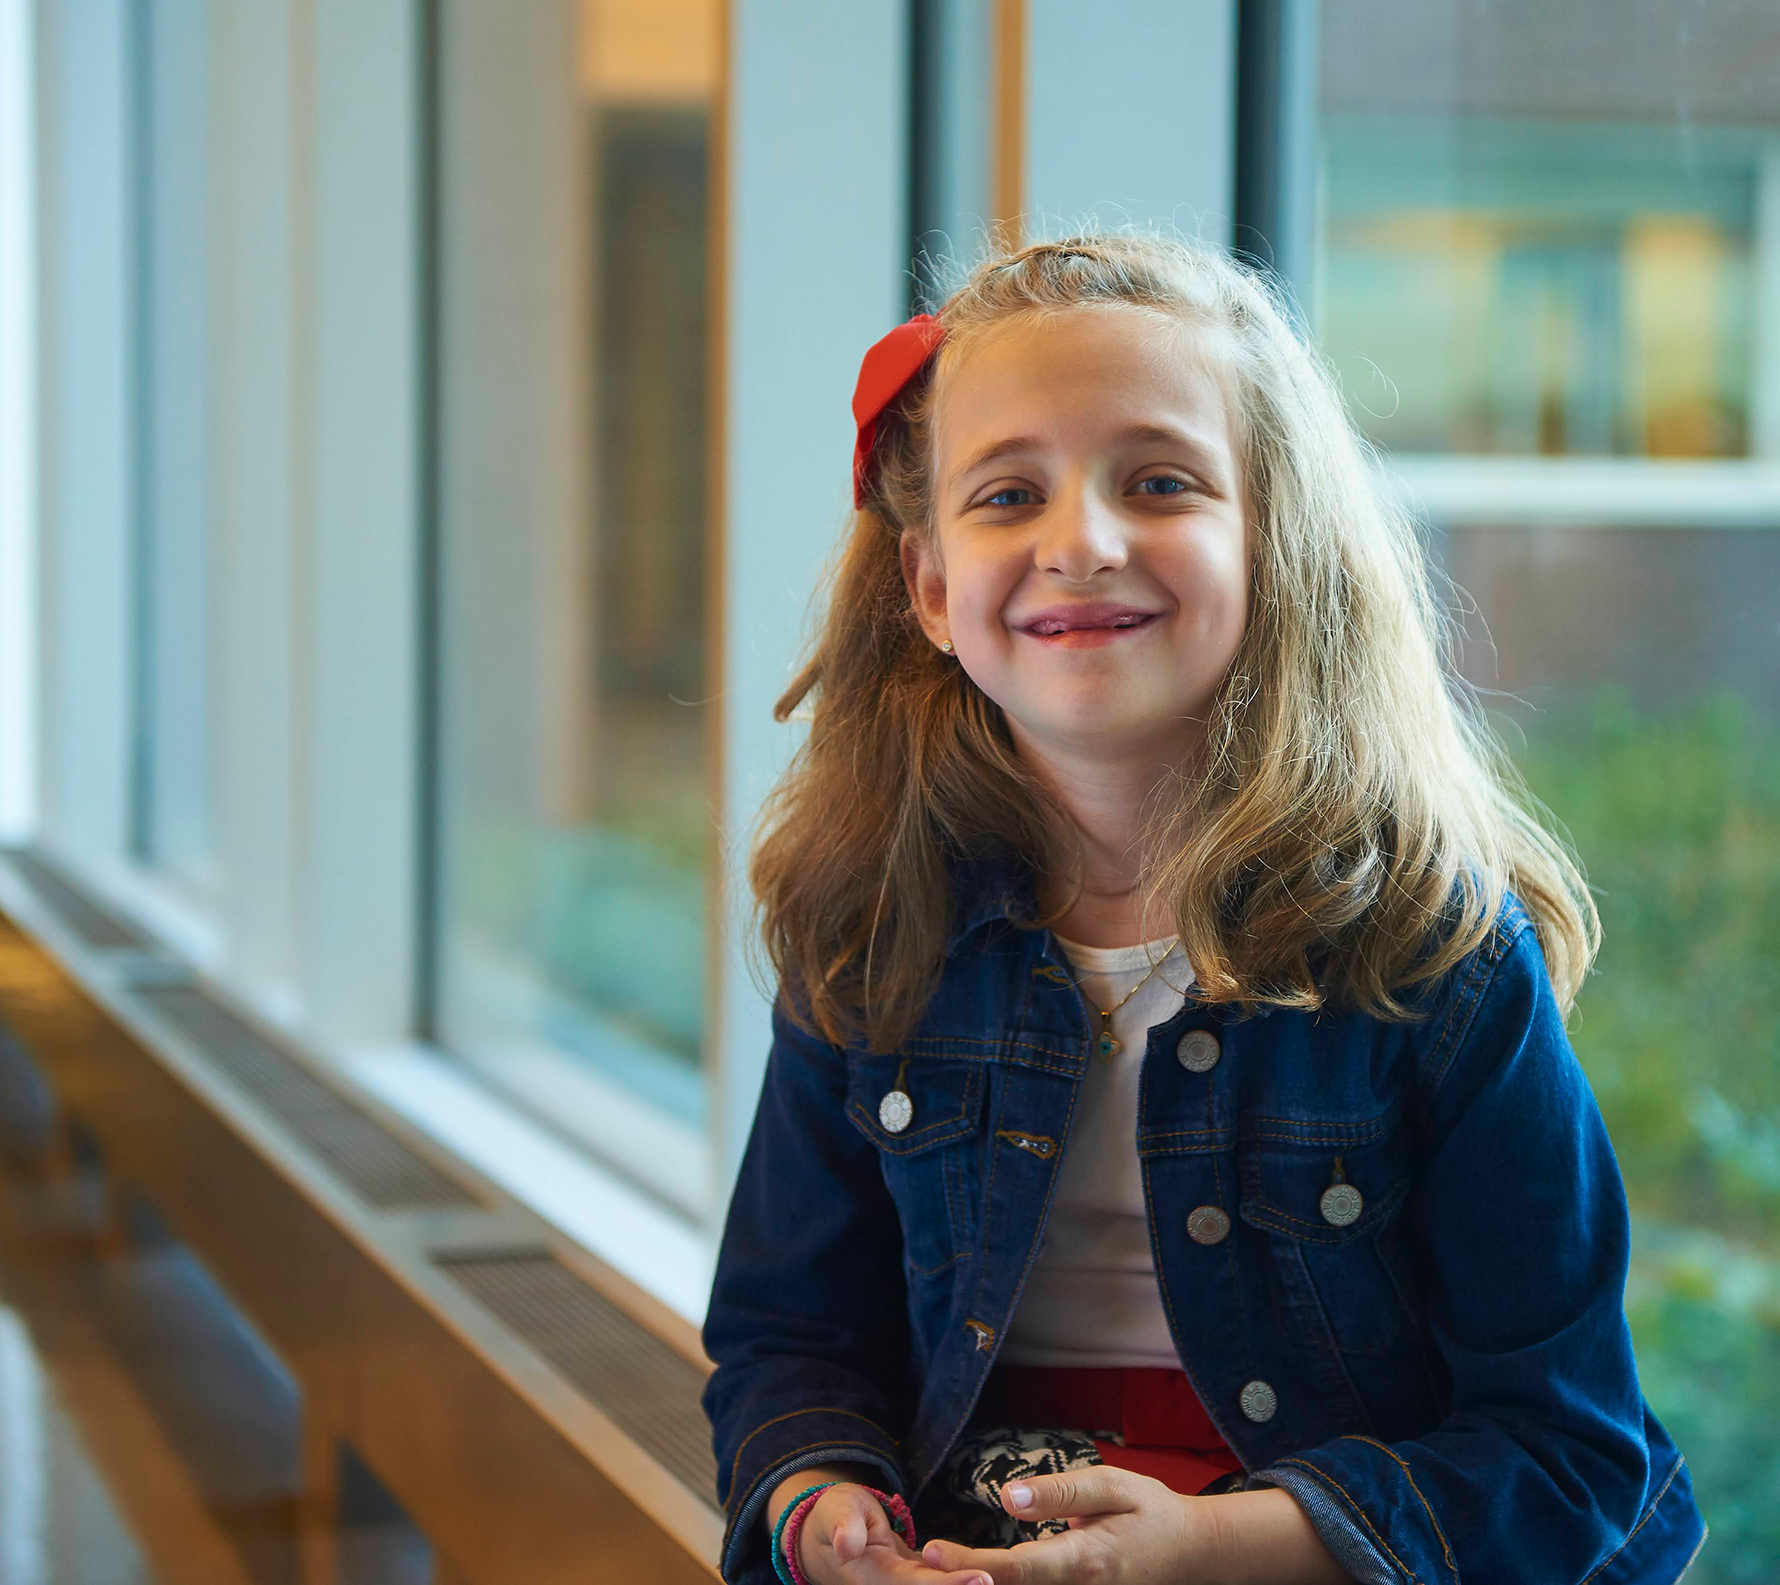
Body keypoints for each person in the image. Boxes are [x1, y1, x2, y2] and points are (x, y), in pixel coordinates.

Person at [700, 231, 1705, 1585]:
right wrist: (818, 1501)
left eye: (1159, 480)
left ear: (1271, 545)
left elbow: (1568, 1448)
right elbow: (788, 1334)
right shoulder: (871, 929)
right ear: (932, 589)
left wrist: (1217, 1546)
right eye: (1008, 494)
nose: (1084, 541)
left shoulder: (1440, 957)